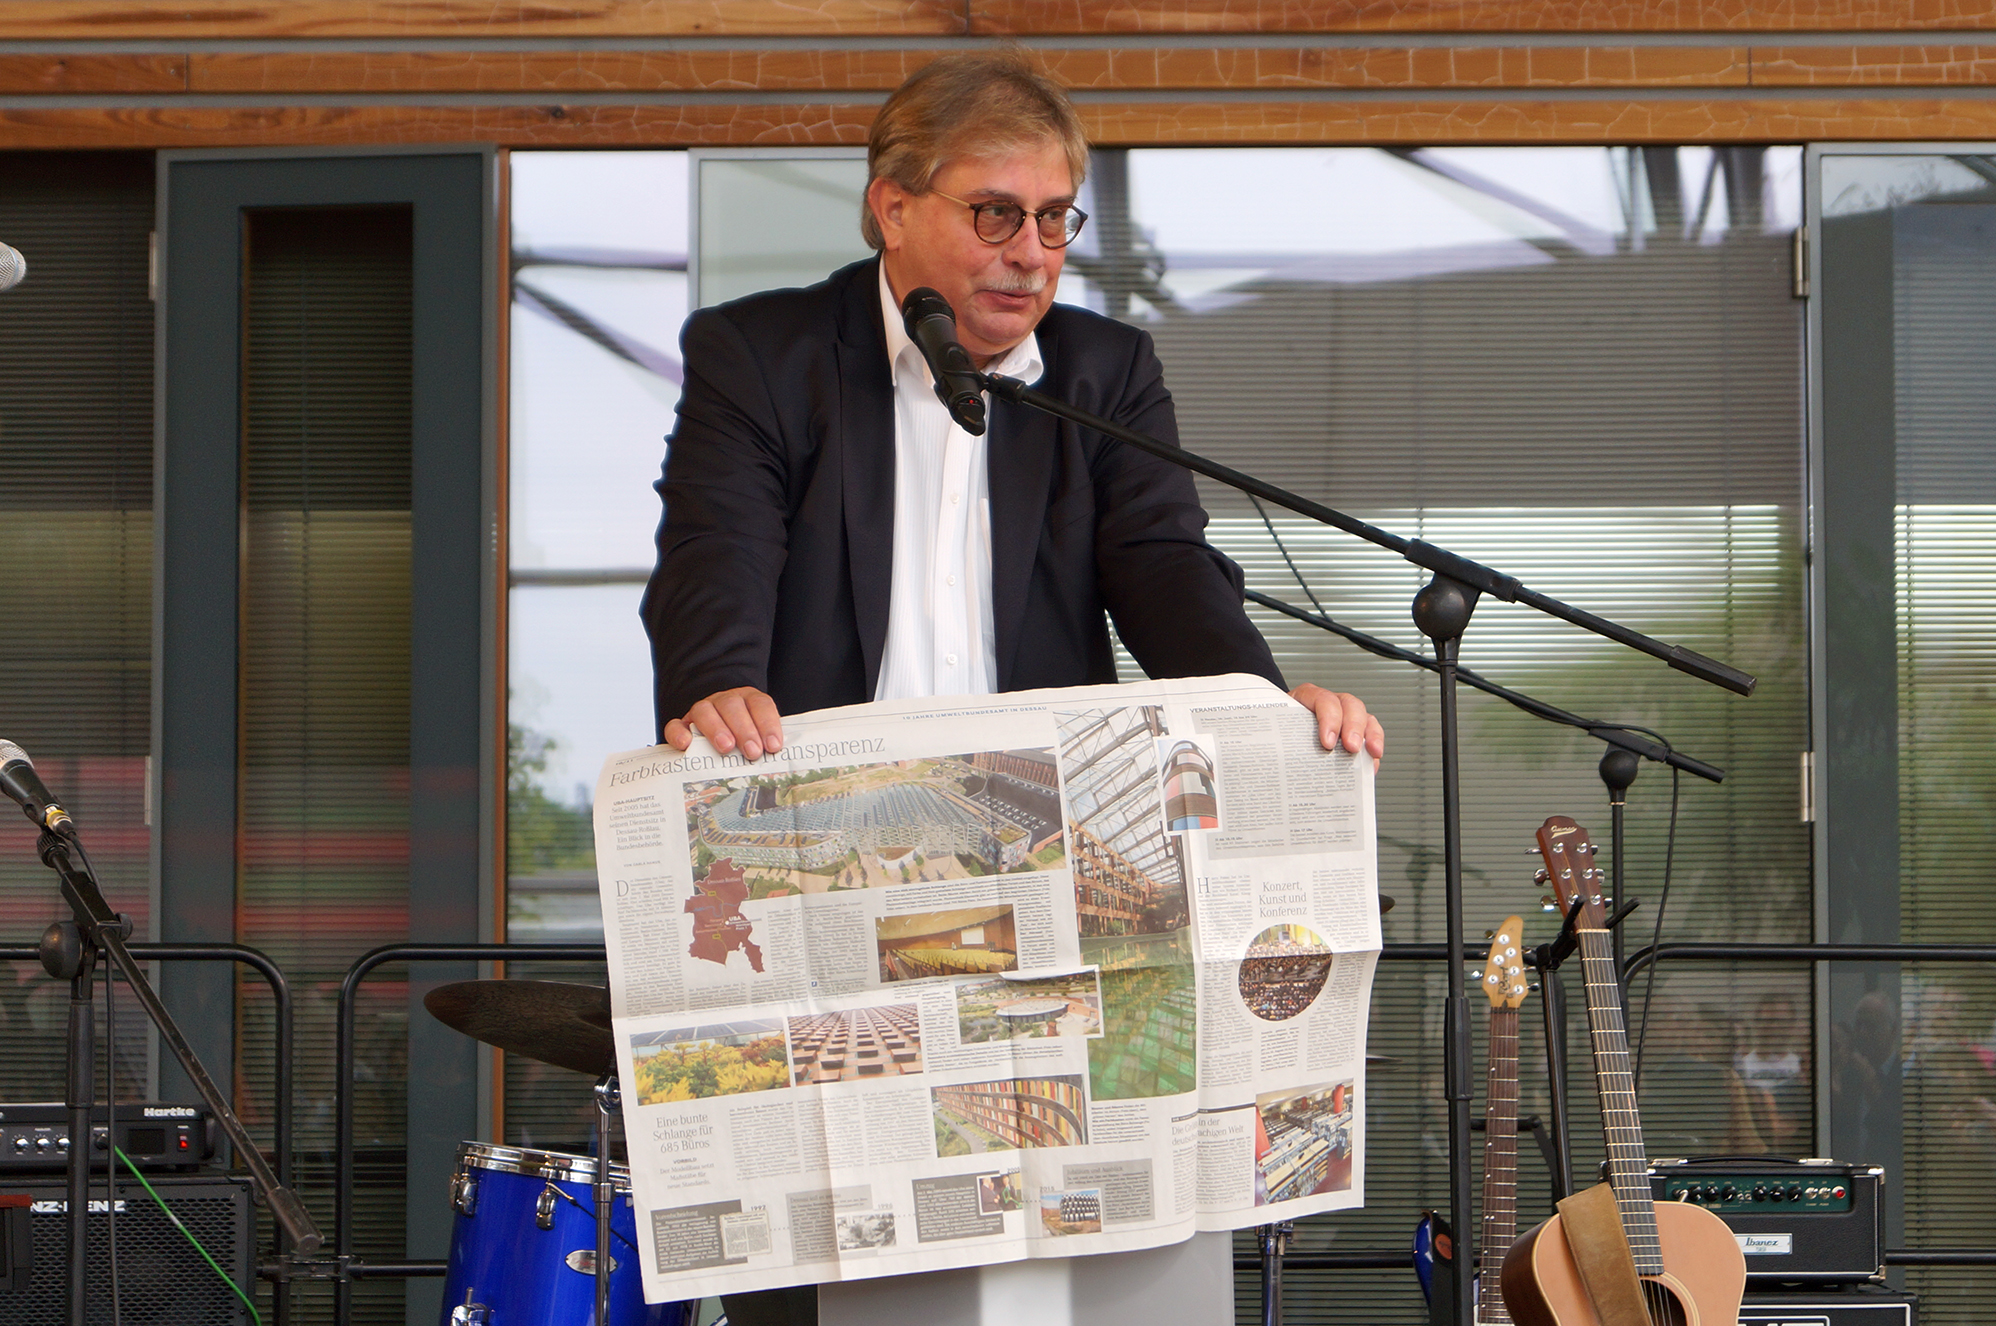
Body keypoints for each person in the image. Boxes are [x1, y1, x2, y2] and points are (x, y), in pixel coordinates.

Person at [644, 49, 1383, 778]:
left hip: (1041, 816)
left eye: (1053, 217)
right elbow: (718, 555)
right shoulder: (762, 356)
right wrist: (718, 687)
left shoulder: (1104, 373)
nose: (1032, 253)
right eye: (996, 214)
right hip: (821, 803)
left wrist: (1258, 706)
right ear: (894, 209)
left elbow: (1166, 568)